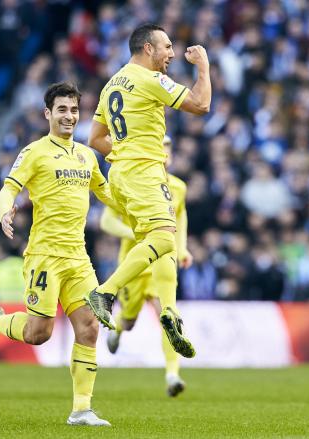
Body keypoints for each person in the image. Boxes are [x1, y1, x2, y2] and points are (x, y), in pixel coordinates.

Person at [0, 82, 119, 427]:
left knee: (89, 327)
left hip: (78, 258)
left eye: (74, 110)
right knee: (40, 333)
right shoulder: (34, 152)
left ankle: (82, 409)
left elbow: (106, 193)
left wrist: (139, 210)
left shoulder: (86, 155)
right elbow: (9, 189)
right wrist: (5, 210)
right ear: (48, 114)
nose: (69, 116)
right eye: (62, 110)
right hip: (44, 257)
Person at [86, 23, 211, 359]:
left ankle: (169, 310)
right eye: (167, 46)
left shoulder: (112, 83)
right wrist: (204, 66)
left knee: (157, 246)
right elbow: (201, 105)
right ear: (147, 48)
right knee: (165, 239)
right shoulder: (150, 79)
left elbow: (95, 140)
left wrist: (123, 156)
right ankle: (105, 292)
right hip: (143, 173)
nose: (172, 53)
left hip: (121, 175)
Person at [100, 136, 192, 397]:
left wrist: (182, 246)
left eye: (167, 147)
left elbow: (181, 215)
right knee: (129, 321)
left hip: (163, 262)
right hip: (134, 266)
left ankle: (173, 374)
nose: (164, 152)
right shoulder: (131, 185)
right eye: (159, 147)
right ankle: (118, 327)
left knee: (168, 316)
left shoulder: (178, 188)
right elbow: (106, 222)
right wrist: (136, 233)